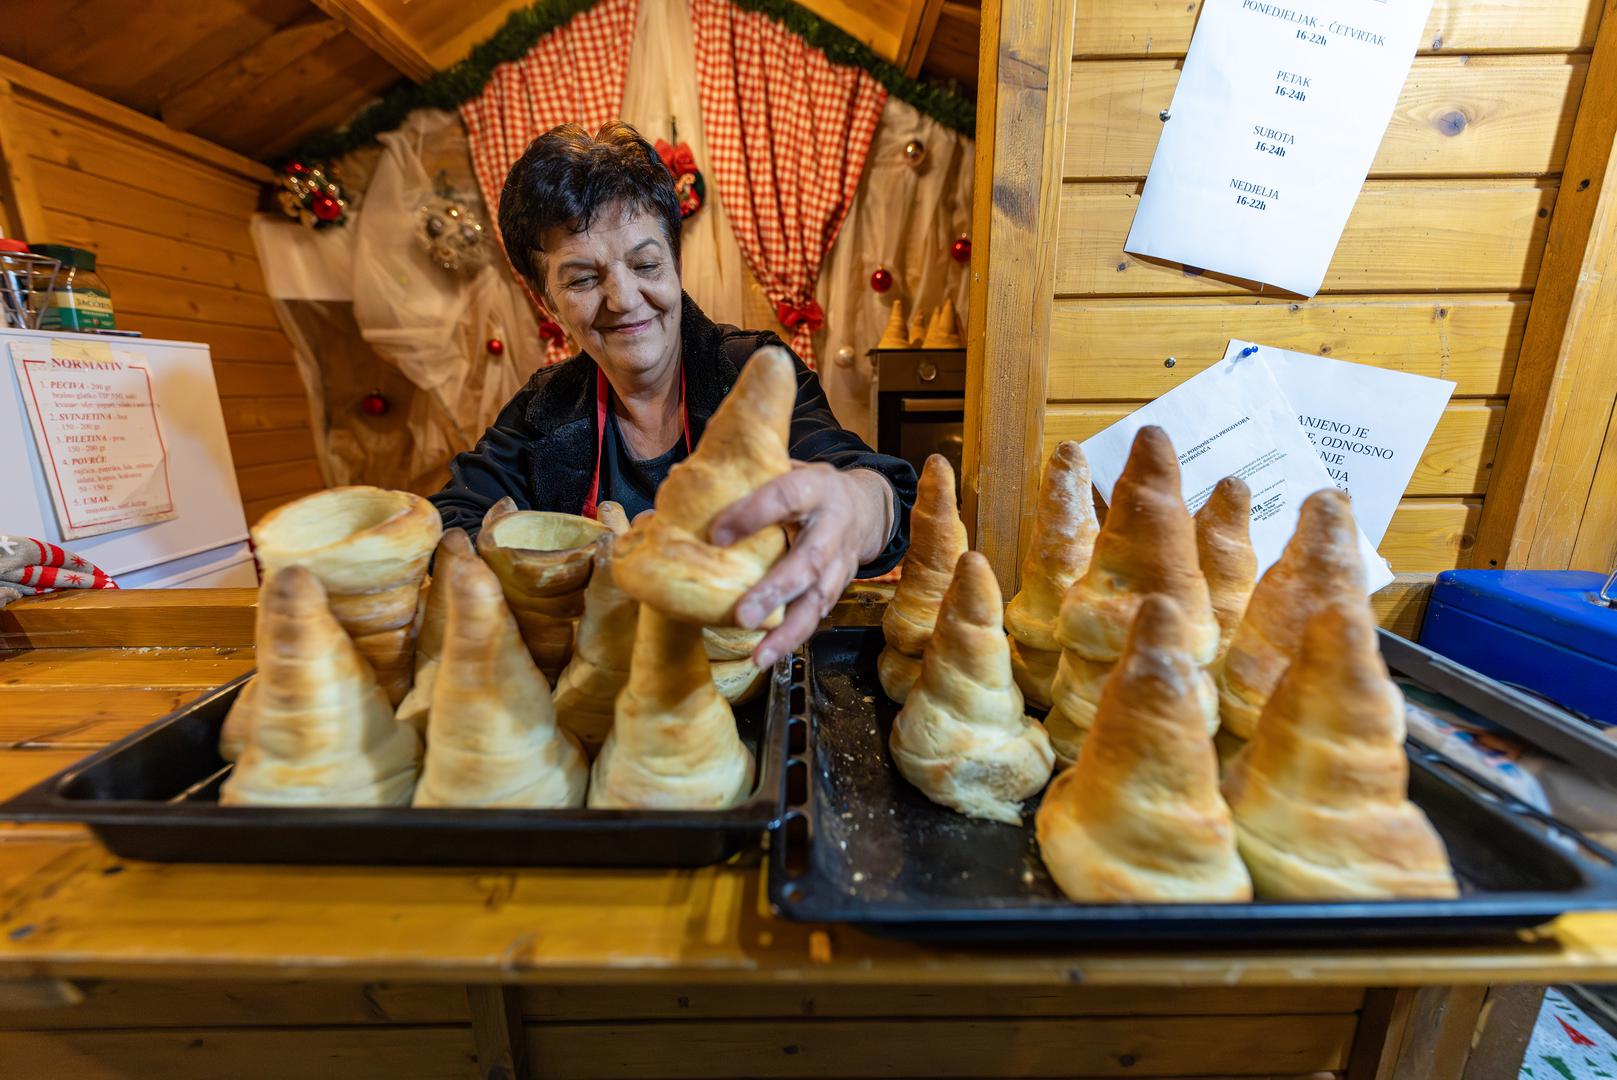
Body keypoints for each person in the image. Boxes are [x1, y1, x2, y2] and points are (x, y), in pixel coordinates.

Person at [432, 122, 918, 669]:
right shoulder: (543, 408)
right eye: (582, 280)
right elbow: (453, 519)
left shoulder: (752, 371)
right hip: (609, 689)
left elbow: (872, 489)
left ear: (676, 265)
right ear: (548, 301)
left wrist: (853, 505)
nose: (623, 298)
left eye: (645, 265)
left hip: (748, 683)